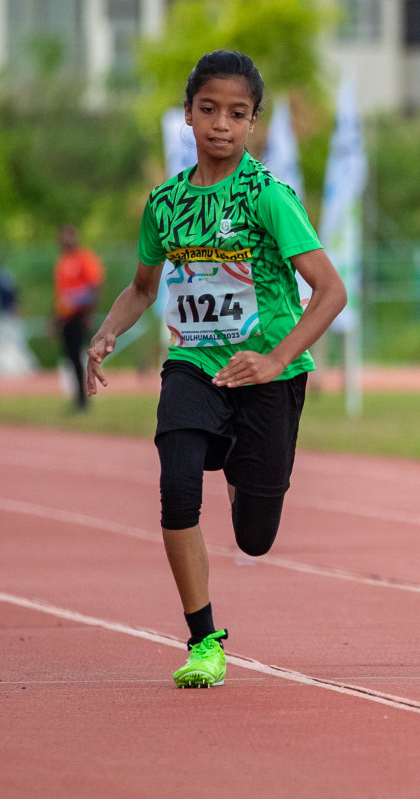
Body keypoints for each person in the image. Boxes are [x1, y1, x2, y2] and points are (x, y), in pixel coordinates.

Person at [85, 50, 347, 688]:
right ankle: (204, 640)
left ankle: (235, 455)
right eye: (209, 110)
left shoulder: (269, 197)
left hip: (269, 373)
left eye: (236, 113)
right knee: (176, 486)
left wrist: (276, 358)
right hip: (193, 364)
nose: (221, 125)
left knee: (255, 536)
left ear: (253, 122)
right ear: (188, 115)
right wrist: (108, 330)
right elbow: (144, 288)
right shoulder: (166, 204)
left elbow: (331, 292)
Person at [54, 225, 105, 408]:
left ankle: (84, 399)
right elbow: (61, 295)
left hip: (79, 316)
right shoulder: (62, 262)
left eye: (68, 236)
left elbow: (94, 288)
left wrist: (88, 314)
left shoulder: (85, 258)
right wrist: (54, 319)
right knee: (70, 357)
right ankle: (78, 397)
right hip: (66, 318)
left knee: (78, 356)